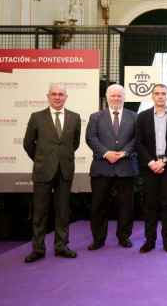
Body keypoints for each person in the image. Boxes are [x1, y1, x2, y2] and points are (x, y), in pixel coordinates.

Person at [22, 83, 81, 263]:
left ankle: (61, 246)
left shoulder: (74, 117)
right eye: (54, 94)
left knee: (63, 211)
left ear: (66, 97)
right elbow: (28, 143)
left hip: (65, 170)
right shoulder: (37, 117)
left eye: (61, 94)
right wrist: (41, 160)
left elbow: (75, 144)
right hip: (43, 171)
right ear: (48, 96)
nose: (57, 97)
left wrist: (61, 159)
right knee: (40, 212)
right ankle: (38, 249)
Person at [86, 84, 138, 251]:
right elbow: (91, 138)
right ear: (107, 97)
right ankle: (98, 239)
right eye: (113, 96)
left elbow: (138, 139)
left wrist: (125, 152)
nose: (116, 99)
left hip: (126, 167)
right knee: (98, 205)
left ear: (124, 97)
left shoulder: (134, 117)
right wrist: (106, 152)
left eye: (119, 96)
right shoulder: (96, 117)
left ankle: (124, 237)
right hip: (102, 167)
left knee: (126, 206)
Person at [135, 84, 167, 253]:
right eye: (157, 93)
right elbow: (138, 143)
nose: (160, 96)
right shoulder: (142, 117)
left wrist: (164, 161)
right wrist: (151, 162)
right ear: (152, 96)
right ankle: (150, 240)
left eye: (163, 94)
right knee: (150, 205)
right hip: (149, 167)